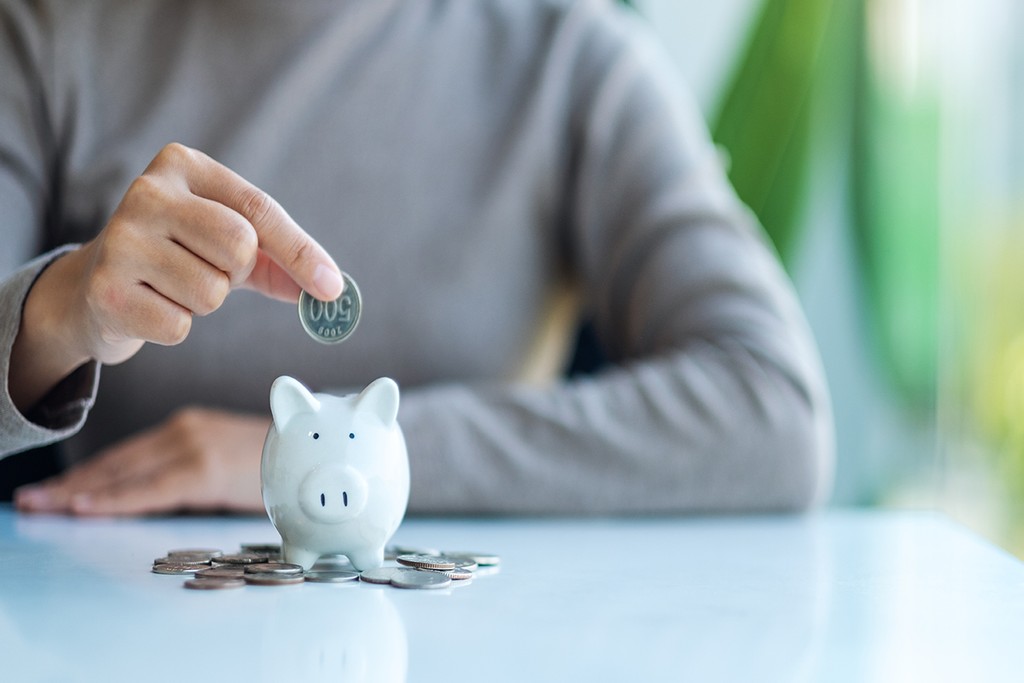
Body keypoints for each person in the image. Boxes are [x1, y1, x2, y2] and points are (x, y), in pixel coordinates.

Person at [0, 0, 833, 516]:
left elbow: (774, 408)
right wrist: (60, 308)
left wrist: (324, 450)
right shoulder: (44, 33)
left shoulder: (575, 58)